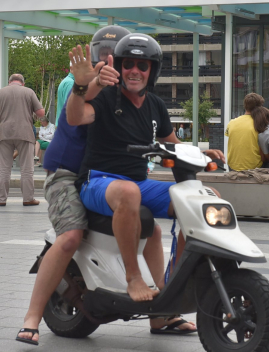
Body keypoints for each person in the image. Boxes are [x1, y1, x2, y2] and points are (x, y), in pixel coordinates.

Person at [66, 33, 224, 305]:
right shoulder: (106, 97)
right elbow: (75, 117)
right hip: (98, 182)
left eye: (142, 66)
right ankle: (133, 277)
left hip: (137, 185)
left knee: (205, 199)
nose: (134, 71)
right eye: (128, 64)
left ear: (152, 71)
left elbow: (173, 144)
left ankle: (172, 285)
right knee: (129, 193)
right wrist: (81, 86)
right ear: (119, 66)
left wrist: (201, 152)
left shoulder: (156, 105)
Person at [15, 25, 137, 346]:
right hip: (66, 174)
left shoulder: (131, 89)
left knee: (146, 222)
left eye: (118, 56)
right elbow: (74, 108)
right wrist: (91, 80)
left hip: (101, 177)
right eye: (104, 55)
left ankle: (163, 310)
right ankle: (32, 316)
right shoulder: (79, 82)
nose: (110, 61)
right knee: (69, 237)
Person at [0, 74, 45, 207]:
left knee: (3, 167)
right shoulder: (28, 92)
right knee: (26, 168)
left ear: (9, 82)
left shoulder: (1, 92)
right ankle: (28, 198)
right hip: (25, 133)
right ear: (22, 83)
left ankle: (1, 199)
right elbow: (41, 113)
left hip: (4, 133)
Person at [225, 93, 264, 171]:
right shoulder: (260, 123)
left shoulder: (232, 122)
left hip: (233, 166)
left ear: (245, 106)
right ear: (260, 107)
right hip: (254, 167)